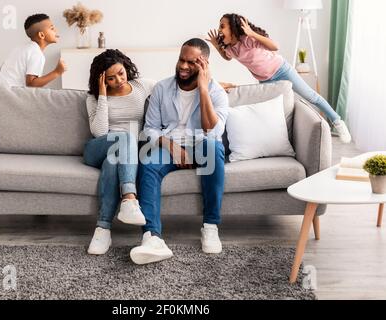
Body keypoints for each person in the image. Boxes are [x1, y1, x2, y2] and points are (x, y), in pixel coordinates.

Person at [130, 39, 229, 265]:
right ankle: (152, 236)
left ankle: (210, 226)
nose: (183, 66)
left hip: (202, 145)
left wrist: (204, 89)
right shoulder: (162, 88)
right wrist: (170, 145)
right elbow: (150, 128)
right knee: (147, 162)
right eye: (181, 60)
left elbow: (212, 131)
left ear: (204, 65)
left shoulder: (217, 92)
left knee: (213, 148)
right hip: (170, 145)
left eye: (191, 62)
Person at [207, 13, 352, 144]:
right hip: (265, 80)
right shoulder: (230, 48)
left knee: (311, 96)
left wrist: (251, 33)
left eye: (222, 26)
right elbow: (227, 57)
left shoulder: (247, 40)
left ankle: (337, 121)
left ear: (233, 28)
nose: (219, 29)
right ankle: (282, 141)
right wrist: (217, 46)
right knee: (275, 111)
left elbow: (275, 46)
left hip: (282, 70)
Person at [84, 49, 156, 255]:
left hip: (122, 155)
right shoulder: (93, 98)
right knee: (124, 137)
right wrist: (104, 95)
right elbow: (99, 132)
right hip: (97, 149)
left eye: (121, 73)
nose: (119, 80)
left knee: (113, 162)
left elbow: (172, 88)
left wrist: (210, 86)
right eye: (111, 78)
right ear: (102, 79)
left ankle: (103, 229)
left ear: (126, 67)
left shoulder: (142, 86)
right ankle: (130, 198)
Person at [0, 13, 66, 91]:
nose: (56, 30)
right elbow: (31, 84)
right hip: (4, 94)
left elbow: (1, 69)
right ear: (41, 35)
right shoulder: (37, 54)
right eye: (52, 28)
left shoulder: (20, 48)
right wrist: (57, 72)